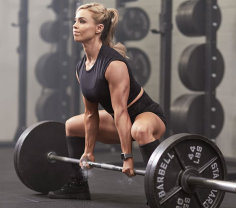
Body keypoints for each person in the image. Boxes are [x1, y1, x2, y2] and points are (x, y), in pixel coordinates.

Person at [48, 2, 166, 200]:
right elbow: (90, 114)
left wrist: (127, 157)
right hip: (119, 118)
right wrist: (88, 152)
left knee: (139, 130)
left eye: (82, 21)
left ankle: (162, 189)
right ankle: (78, 184)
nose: (75, 26)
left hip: (146, 115)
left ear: (98, 28)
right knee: (72, 125)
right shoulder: (81, 68)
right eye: (75, 21)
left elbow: (121, 112)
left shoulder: (114, 64)